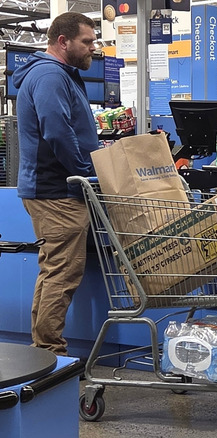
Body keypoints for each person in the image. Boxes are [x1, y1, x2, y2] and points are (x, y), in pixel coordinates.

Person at [12, 12, 99, 356]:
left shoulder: (60, 74)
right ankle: (49, 353)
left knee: (56, 271)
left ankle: (44, 350)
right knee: (61, 274)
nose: (93, 47)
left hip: (58, 188)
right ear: (63, 42)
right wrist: (84, 174)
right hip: (57, 190)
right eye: (87, 41)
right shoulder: (49, 75)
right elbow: (57, 131)